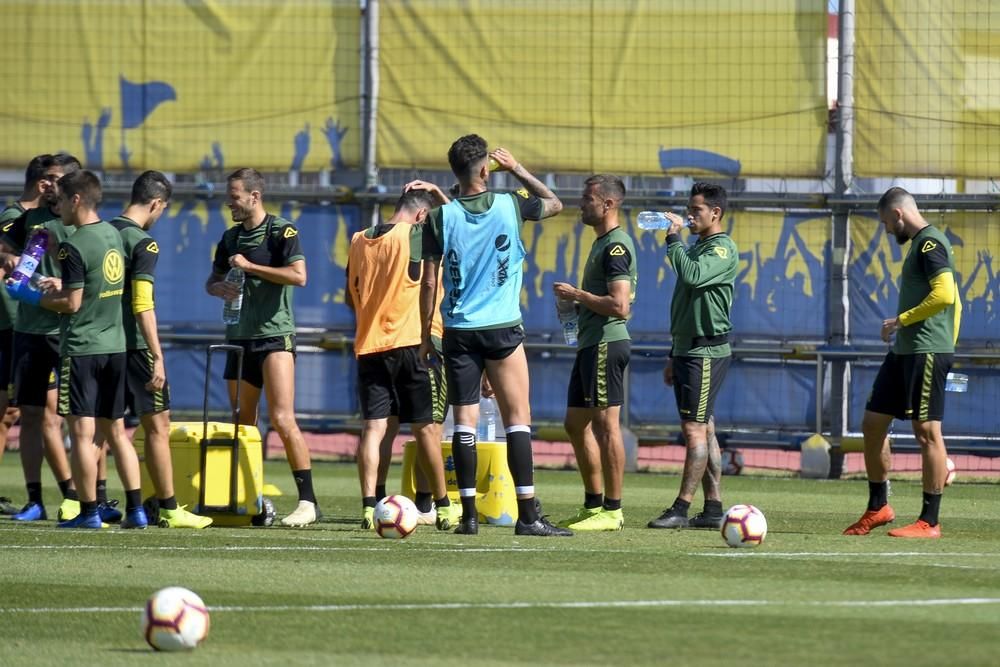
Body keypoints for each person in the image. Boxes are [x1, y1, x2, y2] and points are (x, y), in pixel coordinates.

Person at [407, 133, 570, 536]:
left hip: (459, 331)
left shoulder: (440, 217)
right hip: (500, 329)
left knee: (463, 422)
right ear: (486, 170)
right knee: (518, 420)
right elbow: (554, 203)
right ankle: (528, 515)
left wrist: (428, 334)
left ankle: (469, 516)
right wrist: (516, 168)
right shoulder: (509, 203)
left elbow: (428, 283)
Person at [9, 169, 147, 529]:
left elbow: (70, 304)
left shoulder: (74, 243)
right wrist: (62, 283)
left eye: (61, 200)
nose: (57, 208)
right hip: (115, 345)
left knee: (83, 437)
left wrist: (36, 296)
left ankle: (87, 513)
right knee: (116, 432)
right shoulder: (113, 235)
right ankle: (136, 511)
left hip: (83, 348)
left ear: (75, 200)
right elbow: (94, 285)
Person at [843, 187, 962, 539]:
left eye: (884, 223)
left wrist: (903, 320)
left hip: (925, 349)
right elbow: (957, 303)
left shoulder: (930, 244)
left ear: (897, 215)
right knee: (873, 423)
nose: (885, 230)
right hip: (904, 352)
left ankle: (930, 521)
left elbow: (945, 294)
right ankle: (879, 506)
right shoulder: (920, 246)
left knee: (927, 432)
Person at [205, 168, 318, 527]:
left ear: (254, 196)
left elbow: (300, 277)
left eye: (234, 196)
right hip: (239, 339)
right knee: (242, 423)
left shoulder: (281, 231)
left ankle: (308, 502)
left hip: (274, 337)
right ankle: (245, 494)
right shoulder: (229, 237)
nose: (229, 202)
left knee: (283, 419)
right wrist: (218, 287)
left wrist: (251, 266)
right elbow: (213, 279)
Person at [345, 188, 458, 531]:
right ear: (422, 215)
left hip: (369, 345)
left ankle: (370, 505)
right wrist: (441, 194)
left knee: (375, 430)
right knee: (426, 429)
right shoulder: (415, 235)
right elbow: (462, 224)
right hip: (412, 343)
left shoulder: (359, 238)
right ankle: (443, 506)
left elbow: (352, 295)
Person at [110, 171, 211, 528]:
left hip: (99, 345)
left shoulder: (103, 233)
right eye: (163, 209)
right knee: (157, 426)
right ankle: (170, 508)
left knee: (102, 429)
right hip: (135, 345)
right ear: (156, 203)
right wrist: (158, 354)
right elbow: (142, 302)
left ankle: (87, 506)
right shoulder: (143, 242)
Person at [647, 182, 738, 530]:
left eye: (696, 210)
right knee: (706, 429)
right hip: (688, 349)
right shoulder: (700, 246)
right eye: (689, 208)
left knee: (694, 430)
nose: (688, 215)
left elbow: (693, 276)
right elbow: (687, 302)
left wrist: (673, 239)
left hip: (706, 351)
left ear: (715, 213)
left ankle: (681, 509)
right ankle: (713, 509)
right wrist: (674, 353)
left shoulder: (722, 249)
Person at [552, 174, 637, 531]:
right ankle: (593, 504)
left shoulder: (616, 246)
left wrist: (578, 296)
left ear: (608, 204)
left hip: (607, 341)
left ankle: (613, 510)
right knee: (575, 425)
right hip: (590, 343)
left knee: (606, 425)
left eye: (588, 199)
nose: (581, 205)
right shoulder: (601, 243)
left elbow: (620, 306)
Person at [0, 153, 81, 523]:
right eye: (45, 178)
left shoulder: (80, 223)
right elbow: (4, 248)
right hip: (28, 331)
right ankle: (35, 499)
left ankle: (83, 497)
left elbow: (95, 274)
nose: (48, 184)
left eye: (56, 179)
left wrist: (68, 284)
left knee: (74, 420)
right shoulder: (28, 220)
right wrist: (9, 260)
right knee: (30, 416)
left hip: (66, 333)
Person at [0, 156, 48, 477]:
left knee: (20, 412)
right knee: (9, 412)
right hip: (13, 326)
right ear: (45, 184)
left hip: (25, 325)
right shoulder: (18, 218)